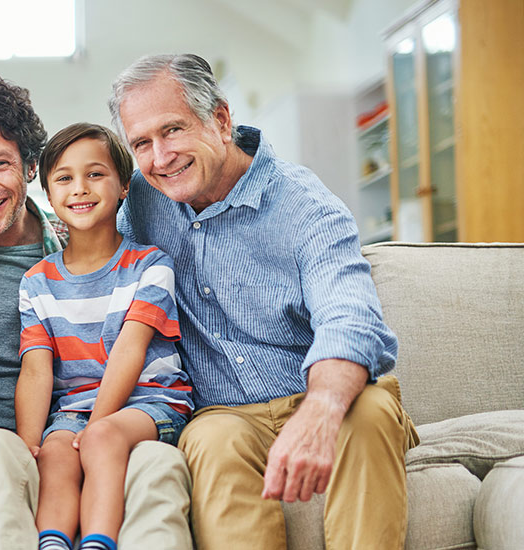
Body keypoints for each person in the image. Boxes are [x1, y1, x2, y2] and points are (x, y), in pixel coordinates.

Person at [108, 53, 419, 549]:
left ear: (221, 119)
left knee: (372, 412)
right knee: (210, 440)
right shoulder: (143, 202)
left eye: (173, 130)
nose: (160, 156)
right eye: (141, 143)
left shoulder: (305, 206)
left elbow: (350, 317)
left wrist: (320, 409)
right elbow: (84, 241)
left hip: (318, 389)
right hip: (223, 414)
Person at [0, 76, 194, 549]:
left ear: (31, 168)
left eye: (0, 164)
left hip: (95, 424)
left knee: (159, 467)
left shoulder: (79, 227)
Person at [16, 123, 193, 550]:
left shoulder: (150, 265)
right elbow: (37, 373)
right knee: (57, 453)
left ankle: (98, 542)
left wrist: (95, 428)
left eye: (95, 174)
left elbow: (130, 350)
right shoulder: (36, 282)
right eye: (64, 178)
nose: (80, 188)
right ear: (49, 192)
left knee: (102, 439)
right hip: (74, 410)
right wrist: (29, 443)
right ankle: (54, 543)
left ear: (123, 187)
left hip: (151, 401)